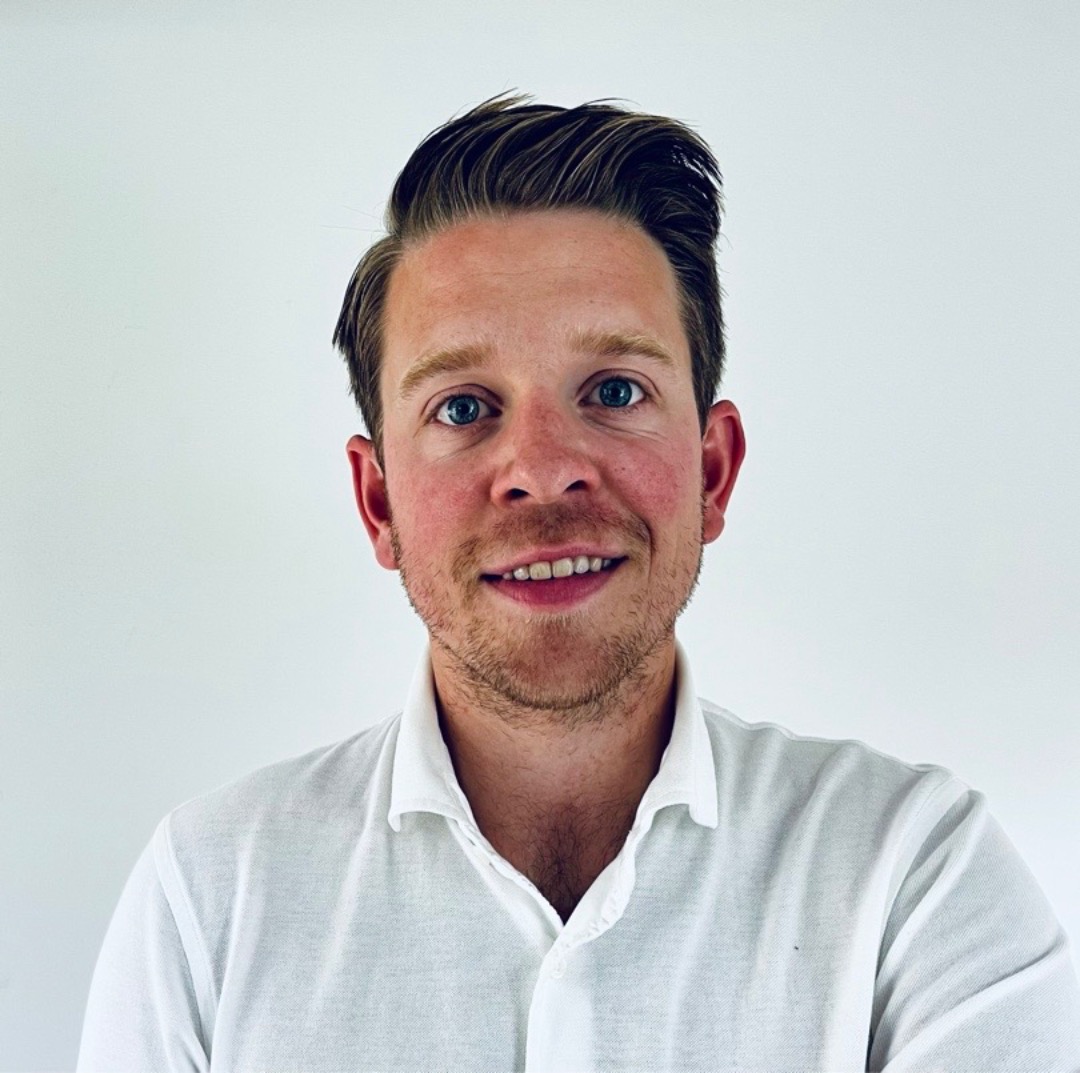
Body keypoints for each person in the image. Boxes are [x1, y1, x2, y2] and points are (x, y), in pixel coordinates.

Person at [77, 94, 1080, 1072]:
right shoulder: (209, 896)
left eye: (614, 389)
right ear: (378, 501)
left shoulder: (916, 877)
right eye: (463, 406)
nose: (544, 467)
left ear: (713, 470)